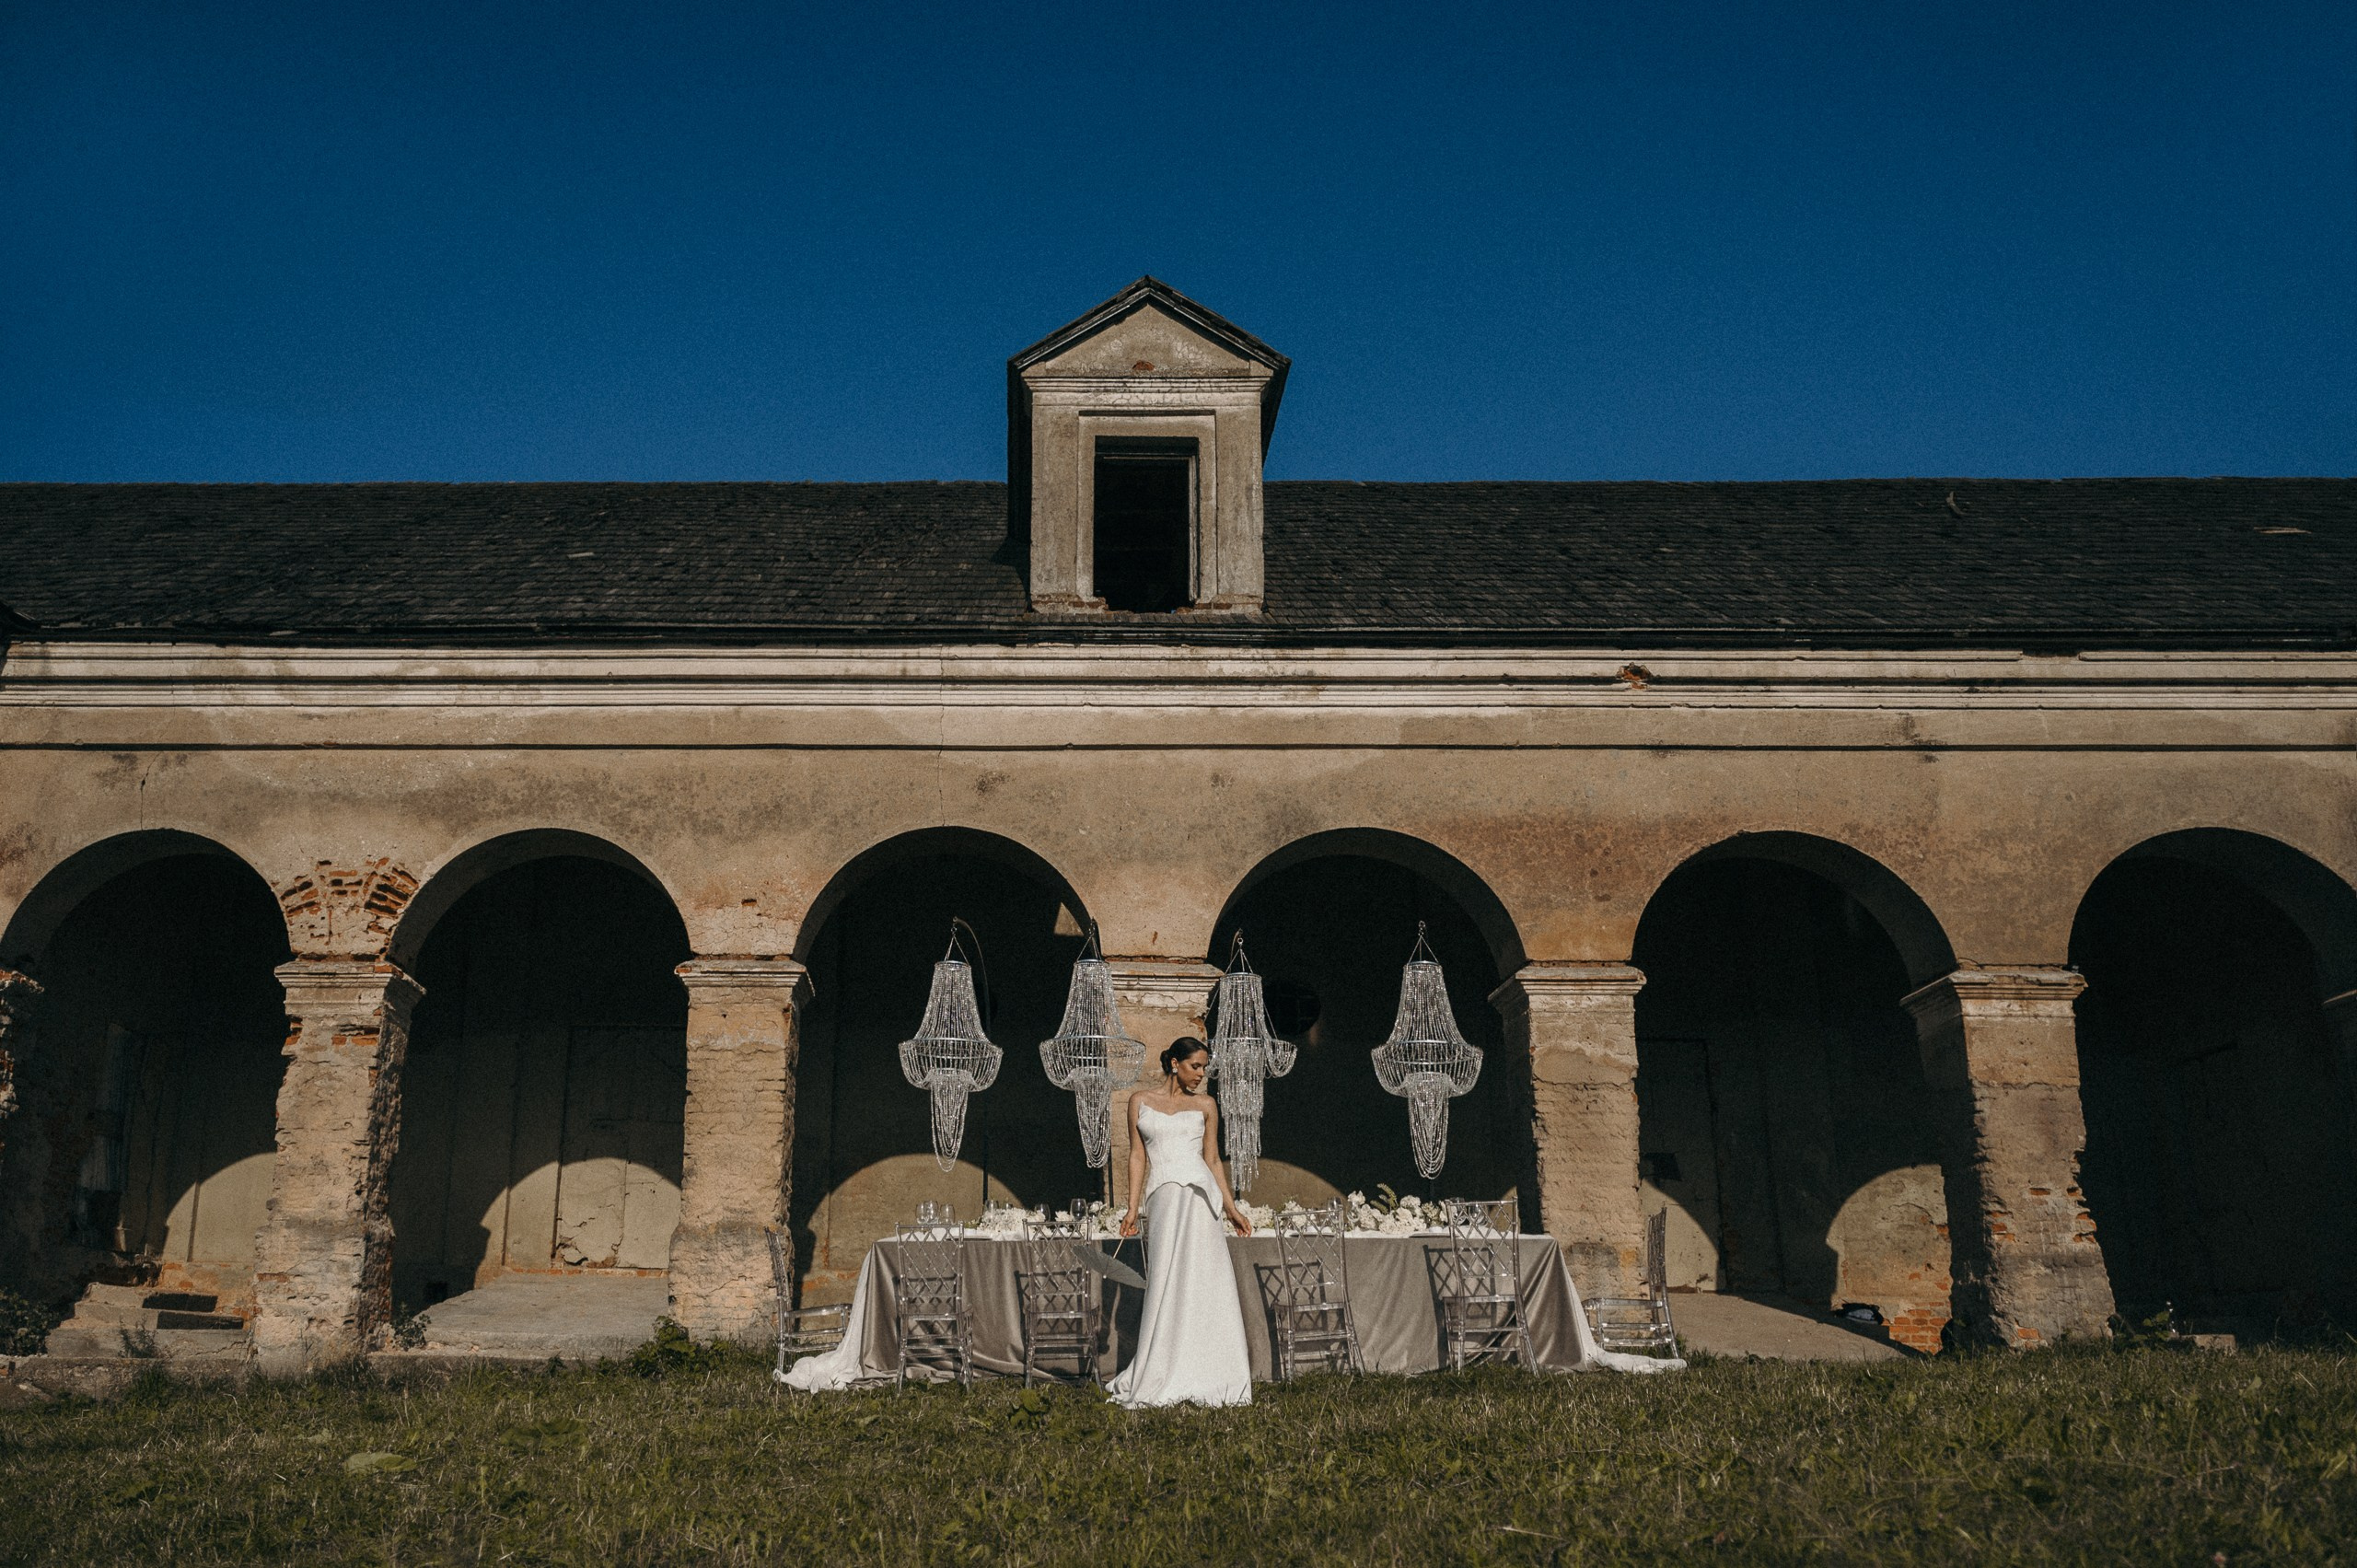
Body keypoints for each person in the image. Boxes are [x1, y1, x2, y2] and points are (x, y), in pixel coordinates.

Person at [1104, 1036, 1255, 1408]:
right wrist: (1131, 1208)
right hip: (1163, 1198)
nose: (1201, 1074)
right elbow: (1137, 1157)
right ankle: (1163, 1367)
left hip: (1200, 1200)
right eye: (1195, 1066)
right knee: (1165, 1278)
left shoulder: (1206, 1105)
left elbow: (1213, 1160)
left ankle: (1214, 1374)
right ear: (1175, 1063)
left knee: (1204, 1280)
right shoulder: (1140, 1101)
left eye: (1204, 1067)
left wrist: (1231, 1209)